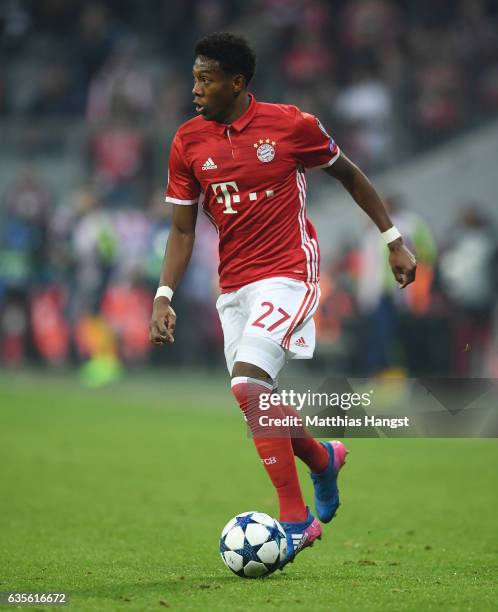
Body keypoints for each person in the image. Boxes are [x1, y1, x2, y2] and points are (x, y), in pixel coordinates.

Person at [149, 32, 416, 569]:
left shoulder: (292, 125)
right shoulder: (187, 141)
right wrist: (163, 295)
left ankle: (296, 521)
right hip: (235, 287)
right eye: (195, 76)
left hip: (290, 272)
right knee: (256, 401)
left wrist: (393, 241)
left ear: (237, 82)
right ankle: (323, 458)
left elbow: (350, 176)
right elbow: (182, 231)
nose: (195, 87)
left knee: (249, 384)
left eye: (206, 78)